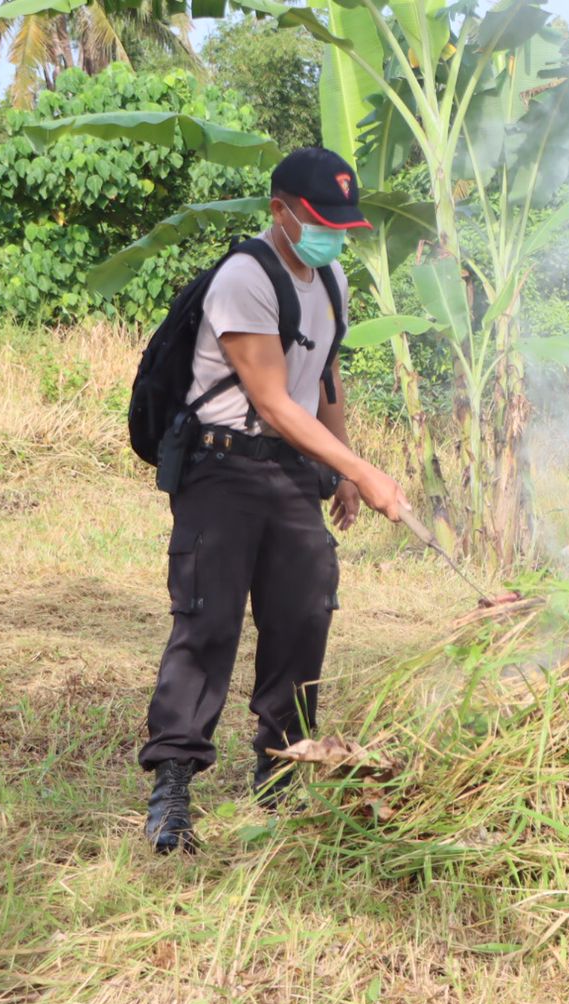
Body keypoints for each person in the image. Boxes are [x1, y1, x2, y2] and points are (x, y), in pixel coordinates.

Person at [140, 147, 410, 854]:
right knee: (208, 624)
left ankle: (280, 772)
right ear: (280, 212)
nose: (332, 235)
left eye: (341, 224)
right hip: (222, 471)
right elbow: (269, 399)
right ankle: (172, 785)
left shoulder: (330, 278)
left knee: (304, 614)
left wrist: (343, 472)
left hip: (292, 472)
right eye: (319, 221)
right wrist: (368, 471)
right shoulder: (242, 279)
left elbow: (322, 381)